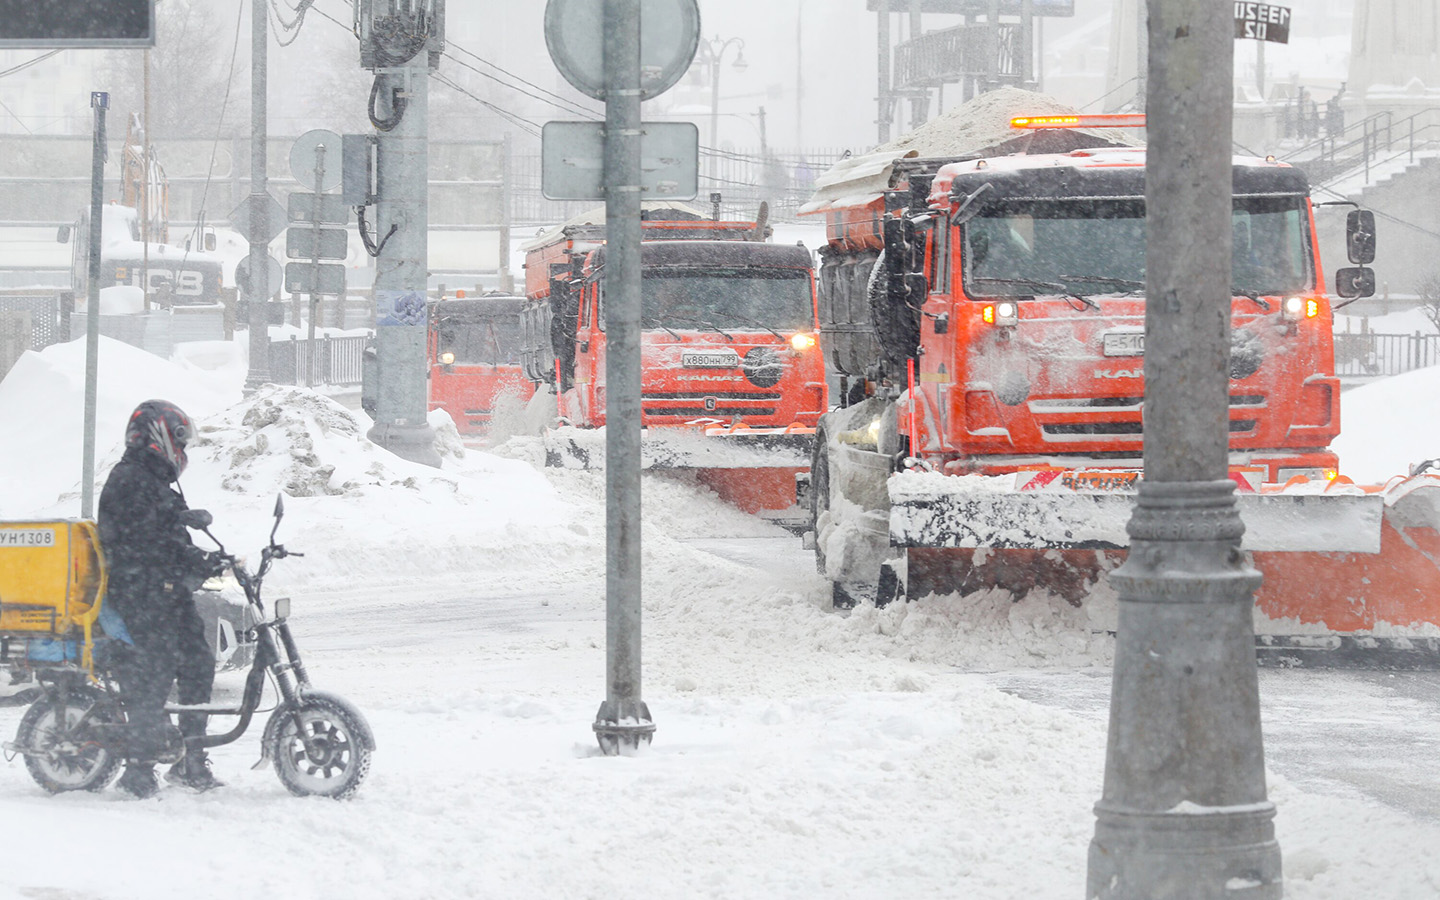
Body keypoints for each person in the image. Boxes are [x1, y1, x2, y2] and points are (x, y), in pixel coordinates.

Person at [98, 399, 224, 798]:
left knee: (198, 661)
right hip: (138, 593)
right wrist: (186, 554)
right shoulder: (129, 479)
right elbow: (142, 541)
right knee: (154, 671)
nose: (183, 453)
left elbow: (171, 540)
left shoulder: (156, 482)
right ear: (160, 437)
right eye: (180, 442)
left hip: (163, 592)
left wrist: (206, 559)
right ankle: (138, 769)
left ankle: (191, 759)